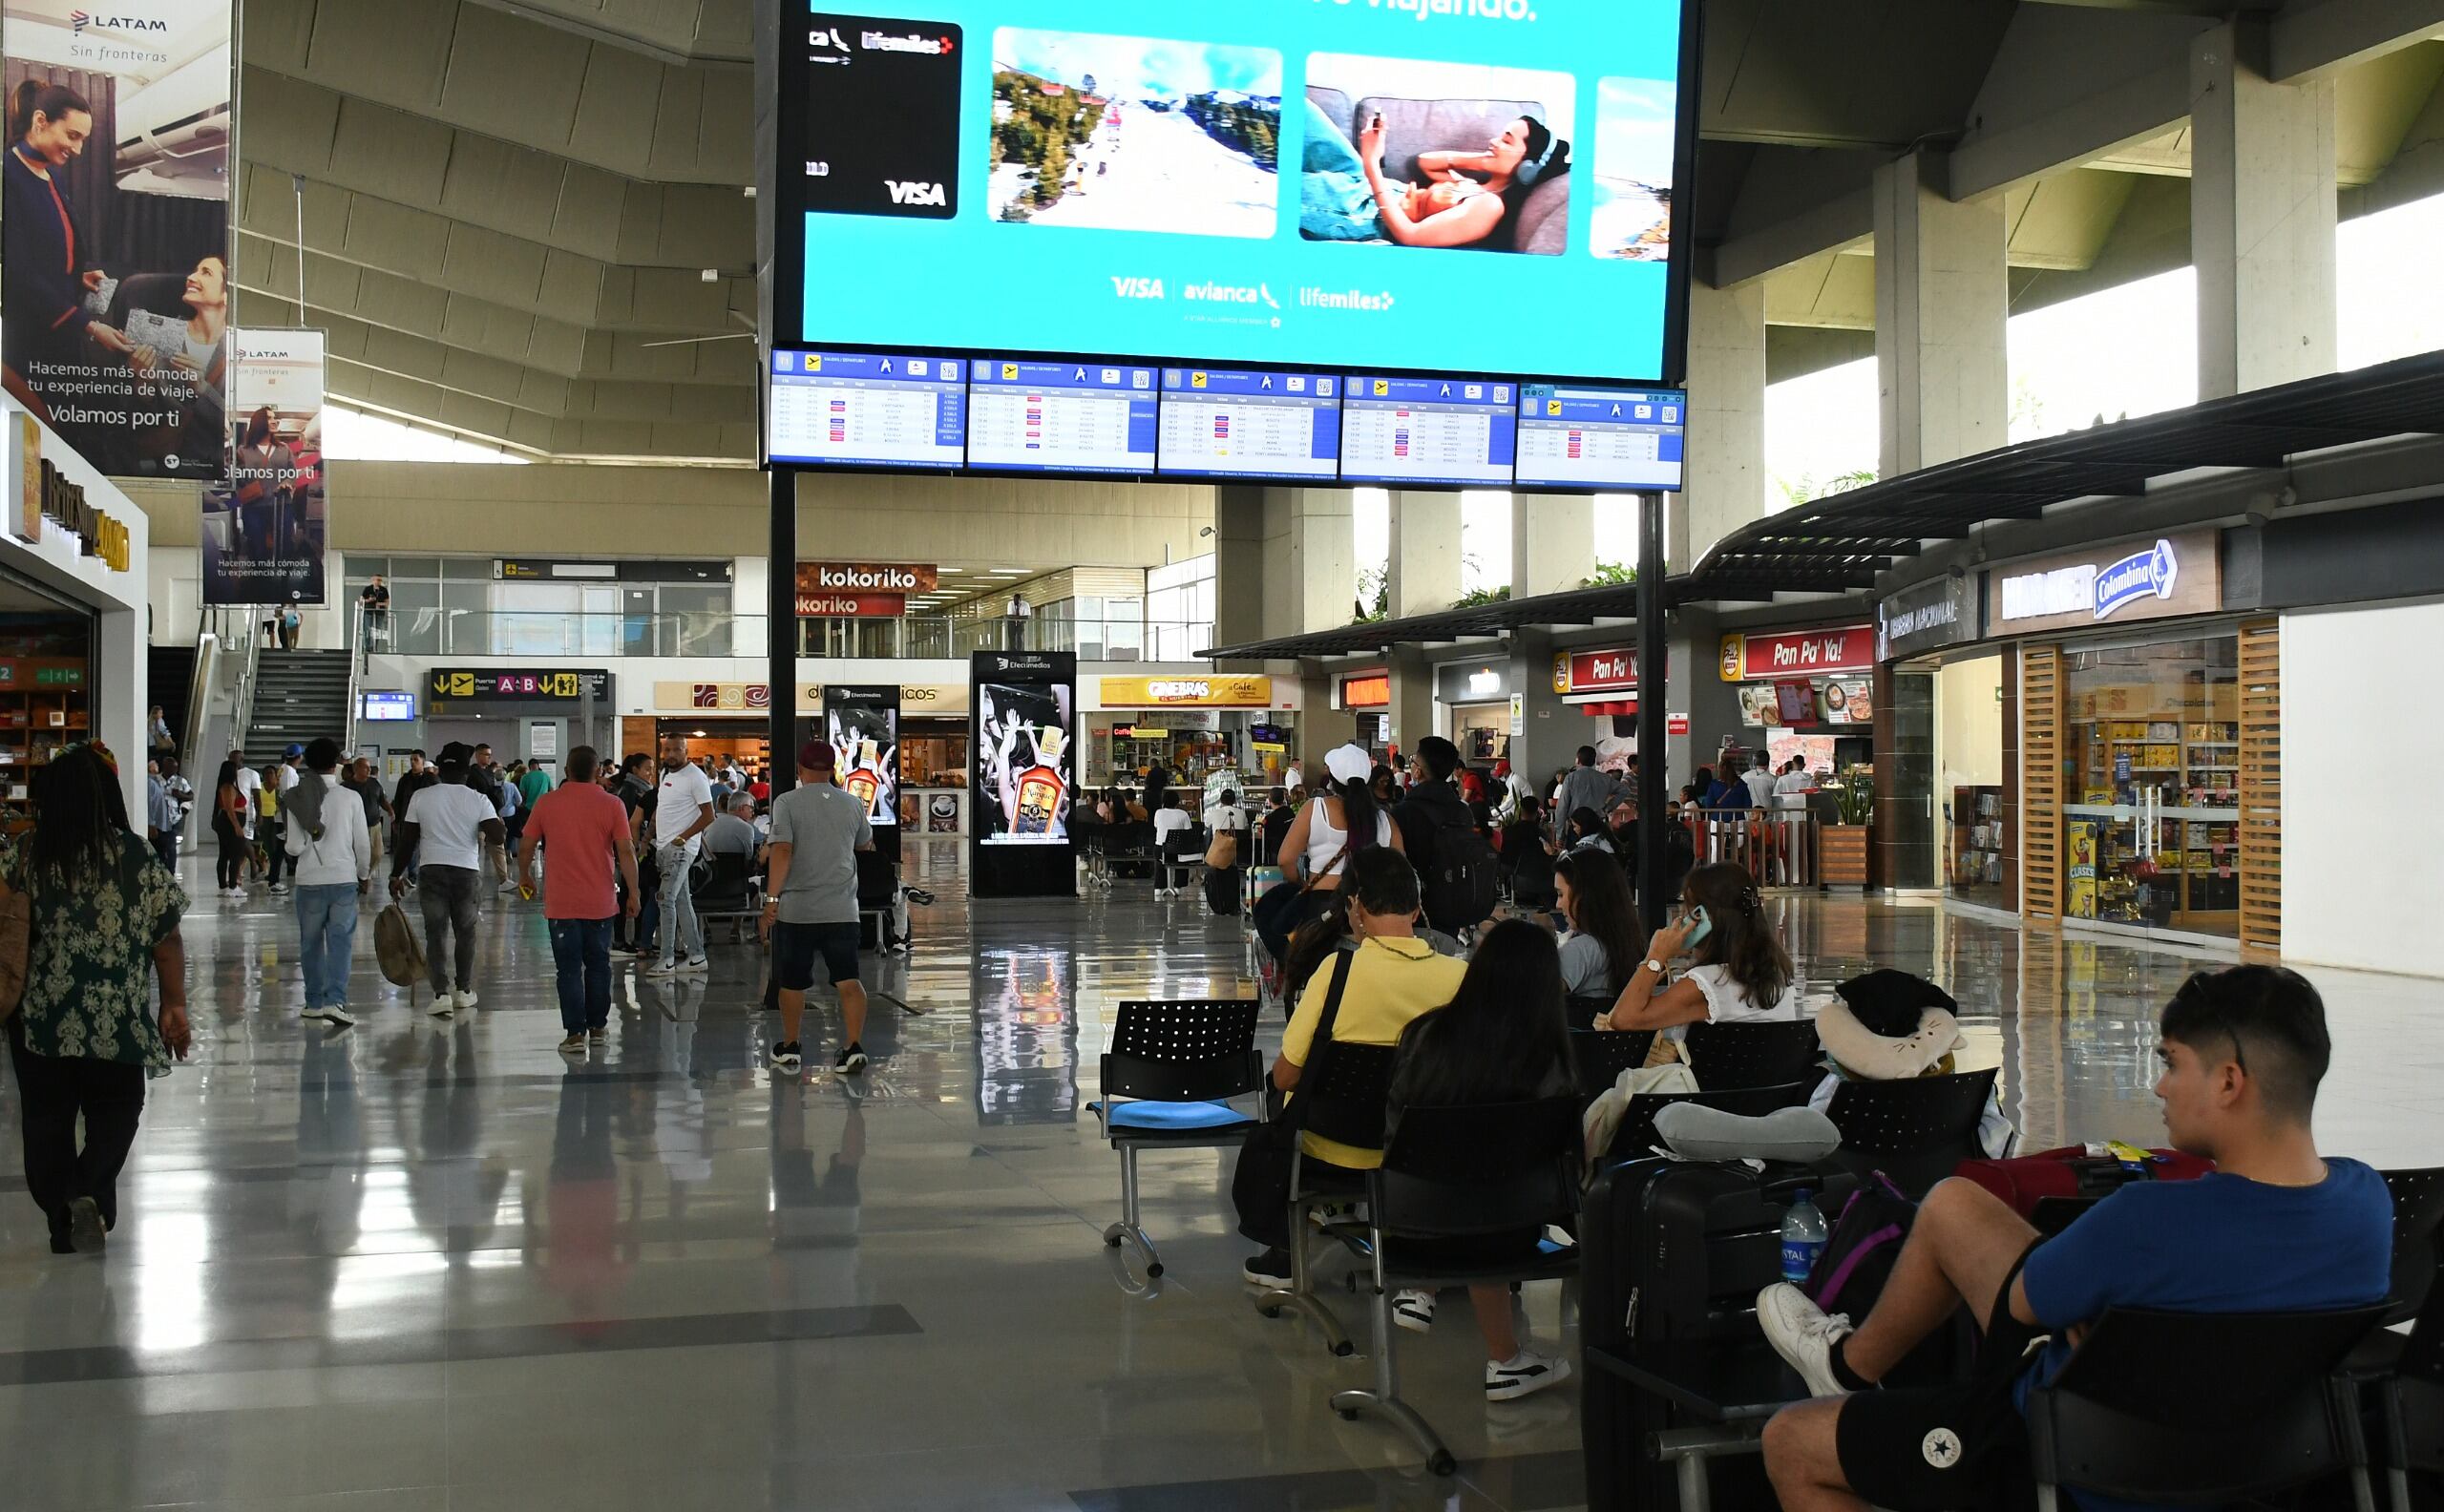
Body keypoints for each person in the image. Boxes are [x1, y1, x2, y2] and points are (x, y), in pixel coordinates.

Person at [1757, 965, 2393, 1512]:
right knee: (1953, 1203)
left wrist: (2087, 1306)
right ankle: (1845, 1368)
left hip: (2075, 1458)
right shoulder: (2370, 1206)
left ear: (2228, 1083)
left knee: (1791, 1442)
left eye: (2172, 1064)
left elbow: (2024, 1307)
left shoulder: (2146, 1220)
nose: (2159, 1086)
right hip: (2268, 1460)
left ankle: (1847, 1371)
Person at [1244, 848, 1466, 1289]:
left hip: (1337, 1149)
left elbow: (1288, 1076)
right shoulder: (1458, 977)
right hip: (1424, 1150)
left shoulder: (1337, 972)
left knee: (1277, 1095)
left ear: (1355, 907)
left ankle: (1287, 1254)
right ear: (1418, 908)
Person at [4, 744, 188, 1254]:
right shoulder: (136, 855)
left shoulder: (23, 856)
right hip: (115, 1018)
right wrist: (174, 1006)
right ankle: (86, 1192)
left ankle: (63, 1218)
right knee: (117, 1109)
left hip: (39, 1022)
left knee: (46, 1121)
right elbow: (166, 939)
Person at [1382, 919, 1578, 1399]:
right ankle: (1507, 1361)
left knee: (1459, 1188)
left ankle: (1423, 1293)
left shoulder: (1423, 1035)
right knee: (1493, 1195)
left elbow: (1393, 1134)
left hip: (1411, 1226)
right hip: (1509, 1232)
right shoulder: (1548, 1060)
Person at [763, 741, 875, 1074]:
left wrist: (771, 901)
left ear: (800, 769)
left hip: (798, 910)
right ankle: (853, 1045)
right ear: (833, 771)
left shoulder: (787, 802)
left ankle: (791, 1047)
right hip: (842, 908)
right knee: (849, 980)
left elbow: (782, 850)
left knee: (793, 981)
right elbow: (865, 843)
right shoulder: (853, 803)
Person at [1594, 862, 1802, 1040]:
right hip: (1773, 1086)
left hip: (1711, 1088)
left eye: (1688, 909)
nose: (1682, 918)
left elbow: (1622, 1019)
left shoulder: (1707, 983)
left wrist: (1656, 956)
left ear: (1705, 919)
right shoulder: (1780, 975)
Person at [519, 746, 639, 1056]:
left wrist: (524, 876)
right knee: (599, 965)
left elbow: (527, 844)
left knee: (568, 970)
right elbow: (626, 851)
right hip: (600, 902)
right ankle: (598, 1028)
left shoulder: (547, 803)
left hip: (561, 903)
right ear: (598, 772)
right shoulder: (613, 804)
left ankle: (575, 1035)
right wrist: (634, 892)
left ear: (566, 772)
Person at [390, 746, 503, 1016]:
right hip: (466, 872)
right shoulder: (478, 799)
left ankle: (440, 995)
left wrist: (396, 874)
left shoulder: (421, 796)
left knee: (435, 933)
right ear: (467, 772)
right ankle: (463, 991)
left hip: (432, 871)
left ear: (440, 769)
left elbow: (407, 840)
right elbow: (498, 837)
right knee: (465, 932)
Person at [1352, 110, 1568, 252]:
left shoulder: (1488, 206)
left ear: (1527, 167)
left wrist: (1372, 164)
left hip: (1365, 213)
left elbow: (1410, 235)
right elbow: (1425, 163)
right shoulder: (1476, 188)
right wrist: (1482, 161)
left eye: (1506, 141)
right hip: (1372, 188)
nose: (1493, 141)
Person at [284, 737, 372, 1027]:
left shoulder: (297, 796)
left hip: (309, 881)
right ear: (337, 765)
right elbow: (362, 844)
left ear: (308, 763)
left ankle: (312, 1002)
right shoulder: (350, 798)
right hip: (343, 880)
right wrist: (363, 875)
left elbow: (294, 848)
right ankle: (336, 1001)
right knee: (340, 942)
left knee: (309, 943)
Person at [645, 732, 714, 977]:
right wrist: (648, 841)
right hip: (664, 846)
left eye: (677, 750)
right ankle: (696, 956)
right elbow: (661, 809)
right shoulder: (665, 774)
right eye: (668, 750)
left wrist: (683, 838)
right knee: (681, 900)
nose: (672, 754)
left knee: (665, 898)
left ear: (686, 751)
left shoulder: (696, 777)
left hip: (681, 849)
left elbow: (708, 814)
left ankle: (667, 958)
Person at [1392, 736, 1478, 930]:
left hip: (1417, 909)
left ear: (1417, 771)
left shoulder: (1403, 812)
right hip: (1454, 904)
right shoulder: (1462, 811)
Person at [1553, 850, 1642, 1000]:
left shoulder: (1582, 949)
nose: (1558, 904)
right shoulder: (1628, 942)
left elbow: (1536, 995)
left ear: (1586, 895)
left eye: (1561, 894)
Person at [263, 746, 303, 895]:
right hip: (286, 817)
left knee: (281, 850)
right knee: (280, 849)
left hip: (285, 816)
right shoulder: (288, 771)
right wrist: (289, 822)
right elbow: (287, 797)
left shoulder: (285, 769)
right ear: (299, 757)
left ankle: (274, 879)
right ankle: (273, 881)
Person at [390, 750, 433, 885]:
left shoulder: (431, 779)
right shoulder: (405, 780)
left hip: (428, 819)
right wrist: (396, 820)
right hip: (408, 818)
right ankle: (412, 876)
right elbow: (398, 800)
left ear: (423, 762)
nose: (412, 763)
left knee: (427, 847)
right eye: (411, 760)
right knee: (410, 847)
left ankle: (427, 875)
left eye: (416, 760)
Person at [341, 756, 390, 876]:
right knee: (357, 853)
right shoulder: (346, 786)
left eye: (369, 767)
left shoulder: (374, 783)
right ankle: (358, 876)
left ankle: (366, 874)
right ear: (356, 768)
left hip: (374, 825)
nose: (369, 770)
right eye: (365, 768)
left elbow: (382, 800)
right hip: (355, 827)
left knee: (377, 854)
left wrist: (391, 811)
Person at [211, 759, 251, 895]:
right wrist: (237, 826)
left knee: (226, 854)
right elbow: (229, 809)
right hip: (230, 823)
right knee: (236, 854)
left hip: (229, 823)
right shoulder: (227, 787)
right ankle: (233, 886)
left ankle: (225, 885)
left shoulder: (230, 786)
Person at [1558, 746, 1620, 825]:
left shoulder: (1571, 778)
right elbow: (1624, 790)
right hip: (1597, 820)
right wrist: (1609, 807)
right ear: (1593, 761)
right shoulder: (1605, 778)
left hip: (1577, 822)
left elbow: (1563, 806)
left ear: (1577, 760)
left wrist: (1559, 832)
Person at [1149, 790, 1194, 897]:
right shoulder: (1183, 814)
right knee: (1183, 861)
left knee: (1160, 862)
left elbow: (1156, 826)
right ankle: (1179, 886)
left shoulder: (1158, 813)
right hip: (1178, 851)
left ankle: (1159, 888)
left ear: (1163, 801)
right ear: (1177, 802)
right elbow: (1188, 832)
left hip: (1161, 850)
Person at [144, 758, 182, 873]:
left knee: (168, 851)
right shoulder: (150, 783)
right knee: (164, 851)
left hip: (167, 822)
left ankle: (169, 874)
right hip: (158, 825)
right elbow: (150, 804)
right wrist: (151, 824)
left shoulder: (156, 781)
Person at [704, 794, 760, 860]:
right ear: (741, 808)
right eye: (751, 808)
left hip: (708, 868)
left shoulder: (709, 823)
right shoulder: (747, 828)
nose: (753, 813)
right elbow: (748, 859)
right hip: (736, 869)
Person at [358, 575, 390, 646]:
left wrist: (380, 603)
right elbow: (361, 601)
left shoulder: (384, 590)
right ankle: (367, 645)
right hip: (369, 611)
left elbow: (387, 603)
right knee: (367, 628)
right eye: (377, 580)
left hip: (380, 612)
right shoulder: (367, 589)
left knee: (378, 629)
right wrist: (369, 600)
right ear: (373, 580)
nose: (379, 582)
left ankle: (375, 646)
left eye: (380, 580)